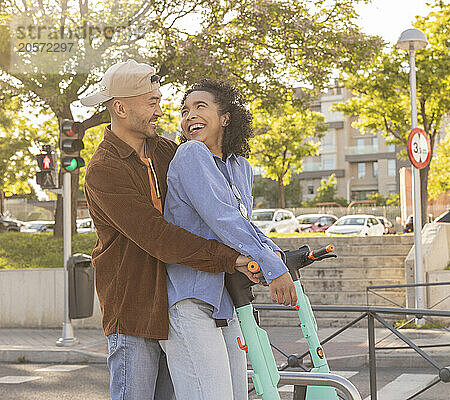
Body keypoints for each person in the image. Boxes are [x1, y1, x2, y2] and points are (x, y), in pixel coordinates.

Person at [82, 60, 255, 400]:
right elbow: (158, 237)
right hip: (136, 312)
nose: (161, 111)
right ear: (120, 107)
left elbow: (202, 207)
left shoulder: (165, 151)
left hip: (176, 306)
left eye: (160, 101)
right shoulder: (104, 170)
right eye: (152, 102)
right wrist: (230, 258)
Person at [159, 79, 297, 400]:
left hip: (225, 303)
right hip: (189, 300)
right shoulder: (190, 154)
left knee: (237, 394)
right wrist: (270, 264)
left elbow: (243, 224)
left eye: (200, 106)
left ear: (225, 117)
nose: (189, 114)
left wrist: (274, 254)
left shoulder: (240, 167)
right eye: (185, 110)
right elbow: (223, 219)